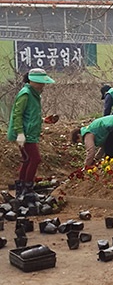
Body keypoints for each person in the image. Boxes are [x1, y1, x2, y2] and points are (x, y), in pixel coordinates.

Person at [7, 68, 56, 198]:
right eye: (40, 83)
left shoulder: (34, 94)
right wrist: (19, 133)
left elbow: (30, 115)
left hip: (29, 132)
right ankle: (28, 189)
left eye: (43, 83)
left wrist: (43, 120)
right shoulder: (26, 94)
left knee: (27, 160)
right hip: (25, 133)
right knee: (35, 159)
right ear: (31, 81)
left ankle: (21, 190)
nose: (42, 85)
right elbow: (18, 114)